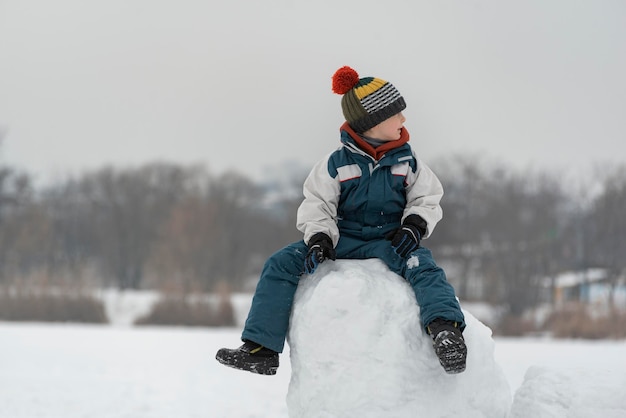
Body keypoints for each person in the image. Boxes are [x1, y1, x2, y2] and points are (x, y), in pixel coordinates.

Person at [215, 66, 467, 375]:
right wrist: (319, 238)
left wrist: (413, 226)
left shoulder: (409, 163)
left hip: (390, 241)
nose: (403, 120)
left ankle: (445, 330)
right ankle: (261, 348)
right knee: (280, 263)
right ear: (372, 122)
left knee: (423, 268)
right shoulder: (335, 164)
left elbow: (427, 198)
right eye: (397, 114)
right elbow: (317, 203)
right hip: (342, 239)